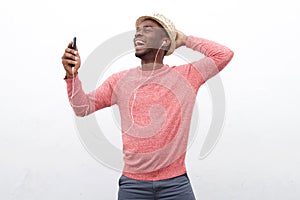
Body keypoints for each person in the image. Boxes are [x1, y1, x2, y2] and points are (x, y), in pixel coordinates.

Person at [61, 13, 234, 200]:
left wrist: (184, 40)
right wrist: (72, 76)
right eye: (137, 31)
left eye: (147, 29)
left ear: (165, 42)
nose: (138, 34)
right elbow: (82, 108)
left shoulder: (187, 76)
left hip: (176, 184)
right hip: (133, 185)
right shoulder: (119, 81)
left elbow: (224, 54)